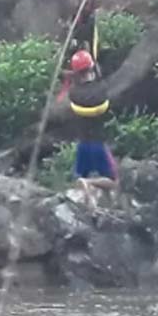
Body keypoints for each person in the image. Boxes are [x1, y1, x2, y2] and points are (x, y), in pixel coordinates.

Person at [66, 50, 119, 212]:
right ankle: (91, 184)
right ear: (91, 68)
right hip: (98, 143)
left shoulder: (73, 93)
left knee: (79, 176)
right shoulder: (101, 90)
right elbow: (100, 86)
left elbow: (80, 85)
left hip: (83, 143)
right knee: (114, 181)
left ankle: (93, 204)